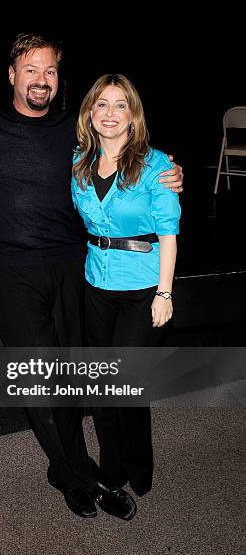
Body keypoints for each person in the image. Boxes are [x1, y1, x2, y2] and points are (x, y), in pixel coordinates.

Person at [0, 34, 183, 521]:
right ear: (12, 75)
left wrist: (173, 173)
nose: (41, 80)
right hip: (11, 273)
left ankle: (66, 464)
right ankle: (77, 475)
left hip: (73, 270)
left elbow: (129, 152)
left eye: (49, 71)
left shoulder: (76, 131)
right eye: (31, 70)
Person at [72, 74, 180, 513]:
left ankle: (140, 466)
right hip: (96, 284)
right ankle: (112, 469)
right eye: (102, 104)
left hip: (142, 289)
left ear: (133, 116)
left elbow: (169, 235)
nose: (111, 113)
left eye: (121, 105)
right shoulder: (78, 162)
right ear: (90, 114)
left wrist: (165, 293)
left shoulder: (156, 166)